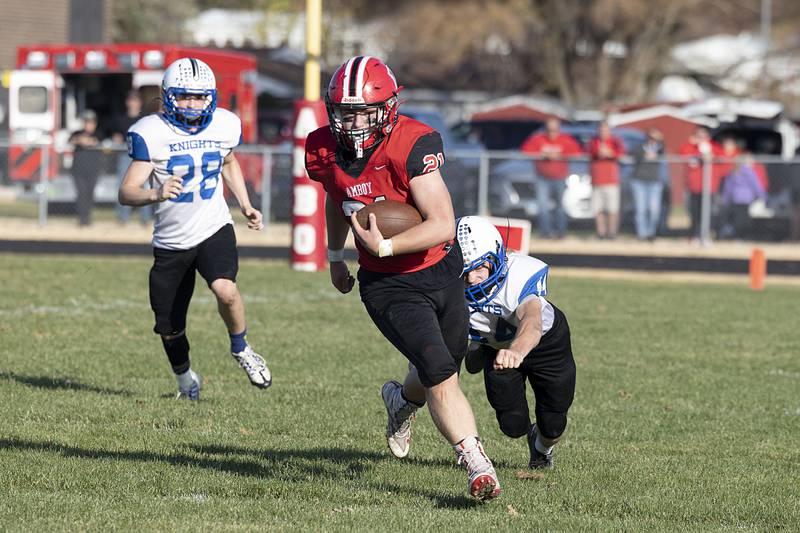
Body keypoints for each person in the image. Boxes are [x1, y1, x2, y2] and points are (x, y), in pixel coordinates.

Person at [305, 56, 500, 501]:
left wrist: (387, 244)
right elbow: (339, 200)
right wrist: (337, 255)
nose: (349, 121)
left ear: (387, 108)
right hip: (386, 284)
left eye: (360, 111)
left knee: (444, 362)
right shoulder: (322, 148)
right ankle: (475, 463)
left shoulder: (409, 142)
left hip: (438, 267)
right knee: (437, 368)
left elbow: (443, 223)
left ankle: (400, 402)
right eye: (342, 110)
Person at [118, 58, 271, 400]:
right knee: (170, 328)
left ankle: (242, 348)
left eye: (200, 97)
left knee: (226, 290)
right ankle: (186, 379)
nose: (192, 104)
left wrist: (245, 204)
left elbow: (228, 161)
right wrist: (155, 192)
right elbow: (126, 192)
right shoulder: (151, 132)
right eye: (185, 97)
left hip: (214, 226)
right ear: (168, 96)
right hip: (171, 242)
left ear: (211, 97)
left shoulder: (224, 125)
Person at [457, 216, 576, 469]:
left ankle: (542, 450)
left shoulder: (519, 274)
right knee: (512, 425)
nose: (472, 279)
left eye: (479, 268)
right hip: (498, 350)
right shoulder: (450, 287)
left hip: (545, 343)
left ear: (497, 258)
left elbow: (532, 321)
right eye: (465, 270)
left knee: (553, 422)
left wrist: (518, 351)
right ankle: (480, 344)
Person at [520, 117, 582, 239]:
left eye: (554, 129)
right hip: (542, 177)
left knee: (560, 206)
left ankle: (561, 233)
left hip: (560, 178)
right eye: (549, 129)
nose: (552, 132)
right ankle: (545, 233)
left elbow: (577, 153)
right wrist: (543, 155)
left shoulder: (565, 139)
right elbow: (525, 150)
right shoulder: (538, 139)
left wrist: (560, 155)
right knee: (543, 206)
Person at [110, 90, 152, 225]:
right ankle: (123, 219)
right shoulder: (121, 119)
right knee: (123, 186)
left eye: (135, 100)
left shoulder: (145, 119)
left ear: (140, 103)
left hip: (143, 157)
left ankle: (145, 219)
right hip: (125, 156)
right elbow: (116, 136)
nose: (133, 103)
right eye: (130, 100)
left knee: (144, 186)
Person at [678, 127, 723, 242]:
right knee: (694, 212)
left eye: (703, 135)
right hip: (694, 186)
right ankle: (694, 235)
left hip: (709, 187)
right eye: (699, 135)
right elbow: (682, 153)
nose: (701, 138)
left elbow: (723, 159)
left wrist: (711, 156)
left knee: (708, 213)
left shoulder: (714, 147)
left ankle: (706, 235)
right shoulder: (692, 147)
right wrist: (691, 144)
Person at [587, 122, 625, 239]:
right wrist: (598, 152)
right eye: (601, 130)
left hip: (611, 181)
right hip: (597, 180)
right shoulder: (593, 141)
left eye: (605, 130)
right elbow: (588, 152)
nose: (603, 132)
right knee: (598, 209)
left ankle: (612, 233)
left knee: (612, 209)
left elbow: (622, 154)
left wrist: (610, 153)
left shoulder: (615, 141)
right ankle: (601, 233)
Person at [631, 128, 668, 241]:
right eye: (651, 137)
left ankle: (651, 233)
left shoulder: (660, 149)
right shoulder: (640, 147)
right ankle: (642, 234)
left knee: (654, 210)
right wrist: (644, 155)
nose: (652, 140)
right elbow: (633, 153)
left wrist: (660, 139)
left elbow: (663, 149)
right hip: (639, 181)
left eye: (655, 138)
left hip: (654, 182)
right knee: (641, 209)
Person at [720, 154, 766, 240]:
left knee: (738, 218)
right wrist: (762, 195)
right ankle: (742, 236)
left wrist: (725, 198)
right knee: (744, 219)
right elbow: (755, 185)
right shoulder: (749, 172)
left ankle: (738, 236)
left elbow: (728, 187)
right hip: (746, 199)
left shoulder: (733, 172)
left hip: (736, 198)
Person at [68, 110, 102, 226]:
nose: (89, 125)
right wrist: (81, 141)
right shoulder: (76, 133)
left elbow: (95, 141)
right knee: (81, 194)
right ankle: (81, 219)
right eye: (87, 122)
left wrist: (85, 141)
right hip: (78, 170)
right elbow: (72, 140)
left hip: (93, 169)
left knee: (90, 195)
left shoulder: (98, 133)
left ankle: (88, 218)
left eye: (91, 123)